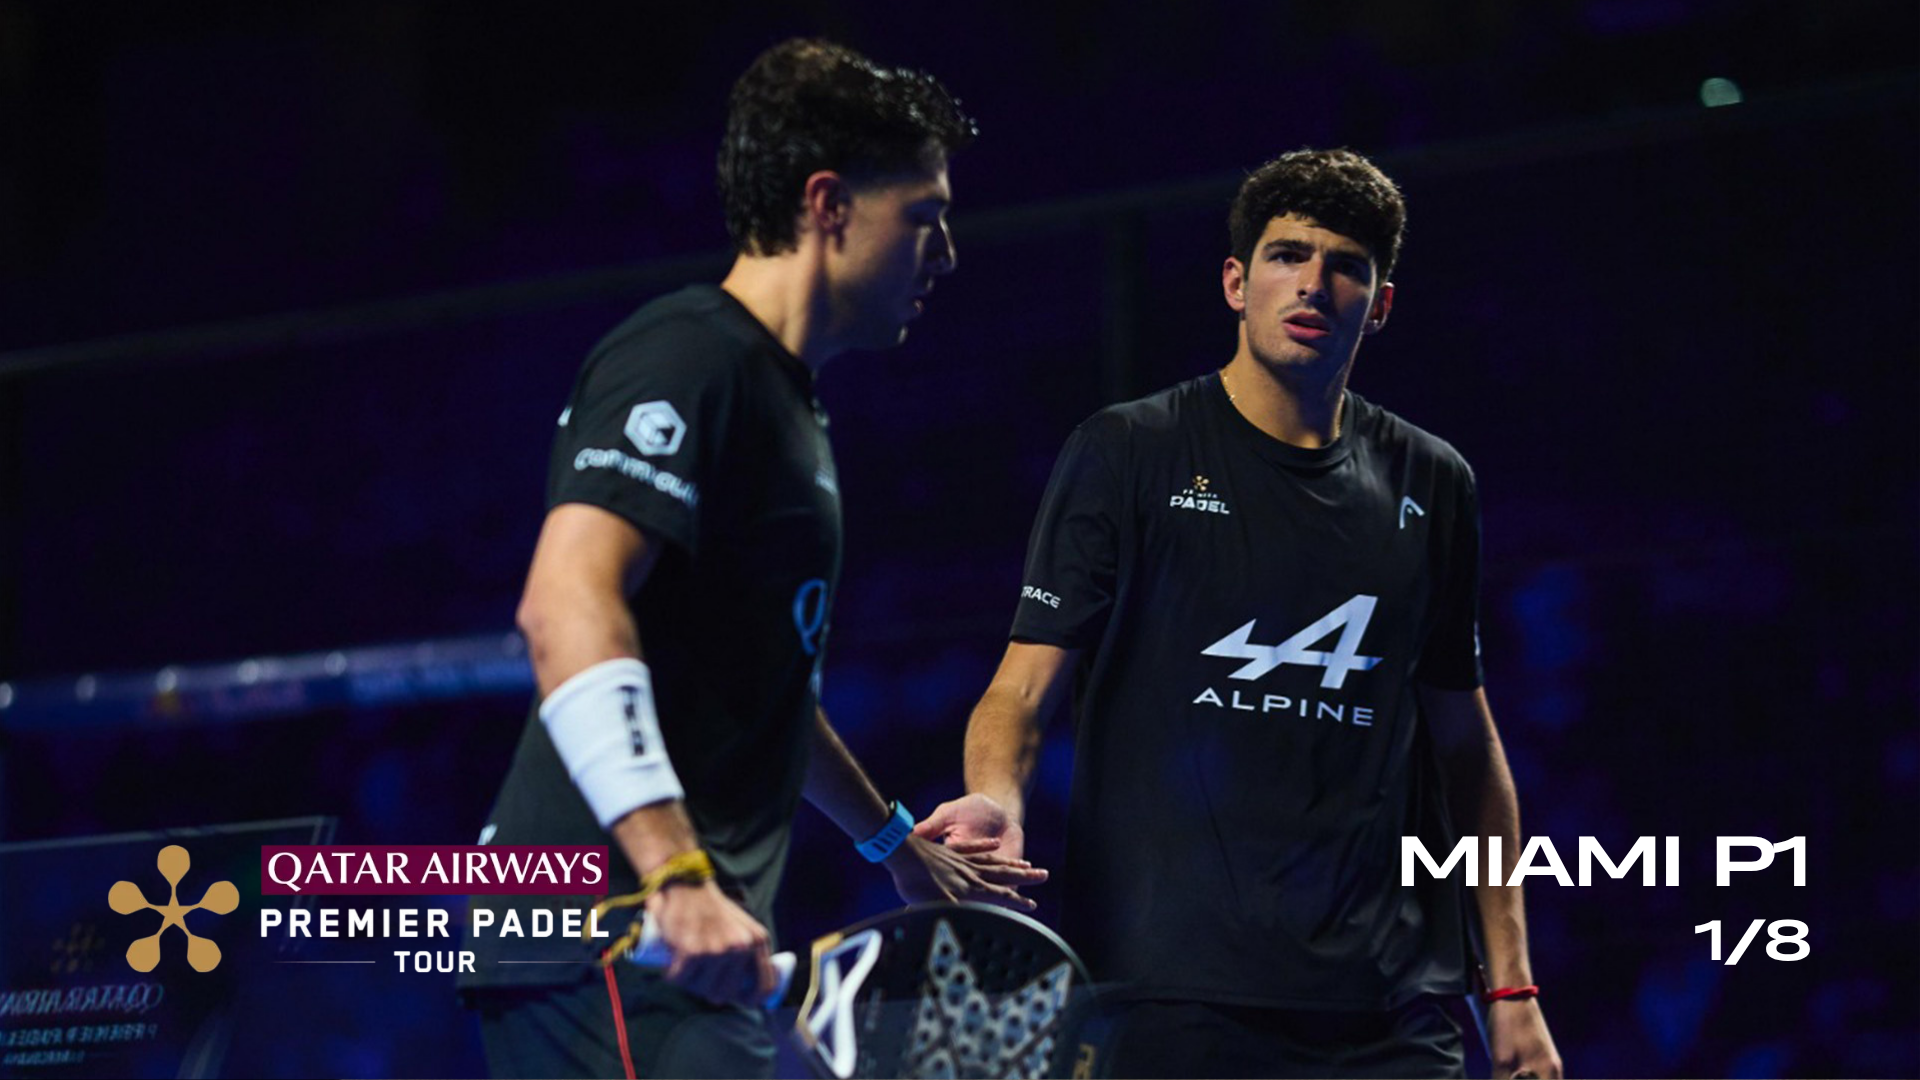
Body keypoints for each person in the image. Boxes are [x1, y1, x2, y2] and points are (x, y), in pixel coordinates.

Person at [458, 38, 1042, 1080]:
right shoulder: (689, 354)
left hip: (684, 945)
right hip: (611, 929)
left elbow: (764, 685)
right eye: (924, 216)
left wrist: (896, 848)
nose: (946, 252)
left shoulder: (788, 406)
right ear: (828, 205)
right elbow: (565, 603)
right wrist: (672, 872)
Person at [916, 148, 1563, 1079]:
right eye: (1287, 255)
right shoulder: (1127, 451)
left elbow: (1467, 750)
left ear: (1379, 304)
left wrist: (1512, 989)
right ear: (1235, 282)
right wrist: (995, 800)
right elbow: (1019, 690)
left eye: (1346, 266)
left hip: (1391, 1010)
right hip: (1167, 999)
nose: (1313, 284)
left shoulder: (1435, 481)